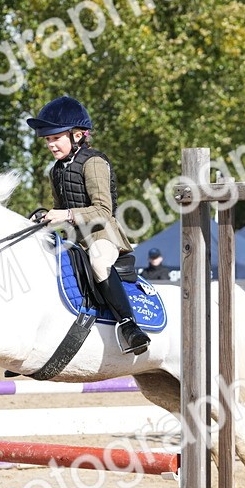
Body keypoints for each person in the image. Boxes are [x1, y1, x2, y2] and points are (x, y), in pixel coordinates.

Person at [27, 95, 150, 355]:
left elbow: (104, 211)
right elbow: (59, 209)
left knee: (97, 261)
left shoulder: (94, 162)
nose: (50, 145)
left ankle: (129, 326)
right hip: (73, 238)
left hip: (102, 236)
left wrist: (65, 215)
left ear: (78, 135)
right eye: (48, 140)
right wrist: (42, 222)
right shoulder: (56, 170)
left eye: (55, 138)